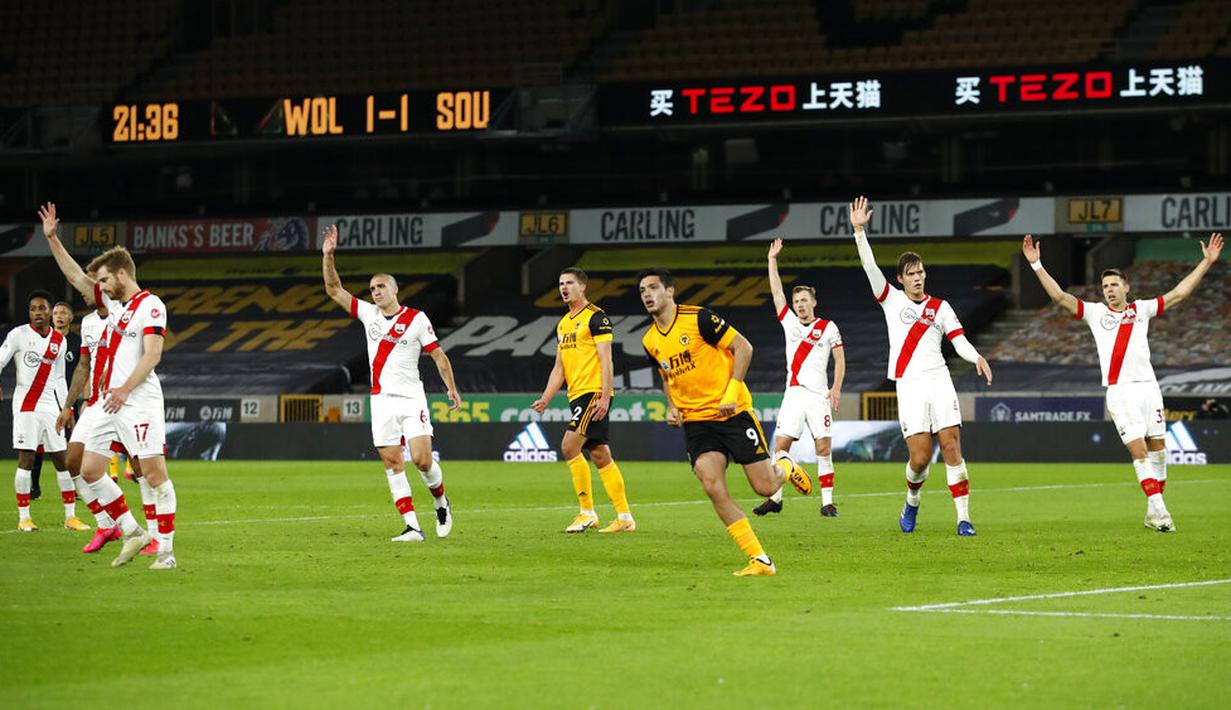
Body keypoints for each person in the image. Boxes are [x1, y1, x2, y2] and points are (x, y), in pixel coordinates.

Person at [1022, 231, 1223, 531]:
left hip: (1150, 389)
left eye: (1115, 284)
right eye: (1105, 286)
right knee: (1139, 451)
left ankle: (1152, 513)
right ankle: (1162, 512)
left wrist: (1206, 263)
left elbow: (1179, 294)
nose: (1109, 290)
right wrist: (1037, 265)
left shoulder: (1141, 309)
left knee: (1159, 452)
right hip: (1121, 392)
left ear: (1127, 287)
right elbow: (1059, 297)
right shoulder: (1095, 314)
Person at [638, 268, 811, 576]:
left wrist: (732, 390)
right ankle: (760, 559)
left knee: (764, 486)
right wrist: (672, 405)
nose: (647, 294)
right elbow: (666, 375)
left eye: (653, 288)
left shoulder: (700, 319)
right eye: (642, 291)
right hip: (696, 422)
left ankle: (785, 467)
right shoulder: (650, 340)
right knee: (712, 485)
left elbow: (744, 347)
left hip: (732, 413)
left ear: (670, 291)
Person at [40, 202, 176, 569]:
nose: (98, 288)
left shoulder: (151, 306)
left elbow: (152, 356)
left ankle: (166, 553)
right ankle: (132, 531)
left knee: (153, 473)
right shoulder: (116, 308)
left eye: (103, 280)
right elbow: (76, 279)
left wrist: (125, 389)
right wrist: (53, 239)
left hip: (138, 399)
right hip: (107, 401)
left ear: (120, 274)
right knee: (87, 469)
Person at [850, 196, 992, 536]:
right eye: (911, 274)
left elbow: (958, 341)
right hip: (909, 385)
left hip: (939, 380)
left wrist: (977, 357)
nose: (918, 278)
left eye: (921, 272)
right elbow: (870, 268)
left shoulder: (941, 308)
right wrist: (859, 232)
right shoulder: (891, 300)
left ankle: (963, 519)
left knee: (952, 446)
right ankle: (911, 503)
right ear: (900, 279)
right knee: (920, 458)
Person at [321, 224, 458, 542]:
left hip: (411, 398)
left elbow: (438, 356)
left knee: (423, 461)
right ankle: (412, 526)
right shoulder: (368, 314)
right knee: (392, 461)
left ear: (395, 290)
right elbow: (333, 290)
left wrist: (451, 386)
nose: (376, 292)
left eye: (381, 286)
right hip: (381, 400)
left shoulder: (417, 319)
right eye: (372, 288)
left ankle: (440, 502)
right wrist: (328, 256)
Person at [531, 268, 635, 533]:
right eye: (560, 283)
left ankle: (587, 512)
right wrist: (546, 398)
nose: (564, 288)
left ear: (583, 287)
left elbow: (606, 359)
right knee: (600, 455)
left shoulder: (597, 318)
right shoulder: (564, 323)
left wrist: (604, 394)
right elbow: (559, 368)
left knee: (569, 446)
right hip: (576, 394)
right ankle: (624, 518)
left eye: (569, 283)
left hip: (593, 393)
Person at [754, 238, 846, 518]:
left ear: (814, 302)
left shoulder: (828, 327)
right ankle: (775, 498)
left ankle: (827, 502)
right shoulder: (789, 322)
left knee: (823, 447)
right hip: (793, 394)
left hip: (818, 395)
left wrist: (835, 388)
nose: (800, 305)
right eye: (797, 301)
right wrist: (772, 260)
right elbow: (776, 292)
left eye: (805, 300)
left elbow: (840, 359)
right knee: (780, 447)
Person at [56, 290, 148, 554]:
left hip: (128, 400)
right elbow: (84, 365)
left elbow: (146, 355)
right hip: (98, 403)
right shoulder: (88, 323)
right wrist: (68, 405)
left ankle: (156, 534)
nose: (85, 293)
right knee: (72, 461)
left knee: (142, 467)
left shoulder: (128, 314)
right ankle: (106, 524)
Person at [0, 290, 86, 531]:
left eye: (42, 308)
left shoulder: (60, 341)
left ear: (50, 312)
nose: (37, 312)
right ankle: (24, 518)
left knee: (62, 459)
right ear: (29, 313)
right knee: (27, 459)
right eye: (33, 309)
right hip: (26, 405)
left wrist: (65, 408)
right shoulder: (18, 334)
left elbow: (59, 379)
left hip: (51, 407)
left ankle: (70, 517)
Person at [28, 301, 80, 502]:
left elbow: (82, 370)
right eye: (56, 312)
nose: (58, 316)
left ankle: (72, 488)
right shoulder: (43, 339)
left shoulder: (76, 342)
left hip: (67, 400)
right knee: (38, 443)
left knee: (67, 445)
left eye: (63, 313)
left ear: (70, 318)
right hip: (44, 398)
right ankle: (34, 485)